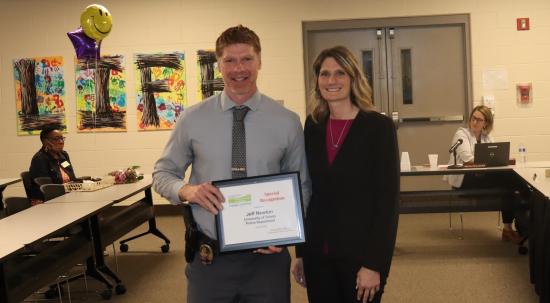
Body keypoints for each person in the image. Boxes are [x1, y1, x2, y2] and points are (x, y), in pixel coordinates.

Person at [153, 25, 311, 303]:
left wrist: (288, 234)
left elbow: (303, 186)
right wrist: (188, 191)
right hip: (210, 260)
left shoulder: (286, 121)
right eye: (230, 60)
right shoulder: (193, 119)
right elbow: (163, 174)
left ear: (260, 61)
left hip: (267, 261)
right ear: (219, 65)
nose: (239, 68)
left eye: (247, 59)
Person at [292, 46, 399, 303]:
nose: (332, 81)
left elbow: (388, 201)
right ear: (317, 81)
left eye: (340, 73)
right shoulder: (313, 126)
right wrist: (302, 252)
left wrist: (374, 264)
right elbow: (308, 191)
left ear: (353, 78)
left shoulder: (378, 127)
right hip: (318, 255)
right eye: (325, 74)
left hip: (361, 257)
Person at [446, 105, 522, 243]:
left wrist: (495, 160)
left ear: (486, 123)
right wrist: (489, 161)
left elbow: (497, 157)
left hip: (482, 178)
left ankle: (508, 228)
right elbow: (468, 159)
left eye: (479, 120)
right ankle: (512, 223)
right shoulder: (461, 134)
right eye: (473, 118)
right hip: (465, 180)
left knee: (509, 186)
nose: (474, 122)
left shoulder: (487, 138)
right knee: (510, 182)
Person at [29, 125, 76, 204]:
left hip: (66, 195)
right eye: (56, 139)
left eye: (62, 138)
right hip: (48, 200)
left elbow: (72, 178)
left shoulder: (63, 155)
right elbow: (47, 188)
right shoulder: (40, 158)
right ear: (45, 142)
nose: (61, 141)